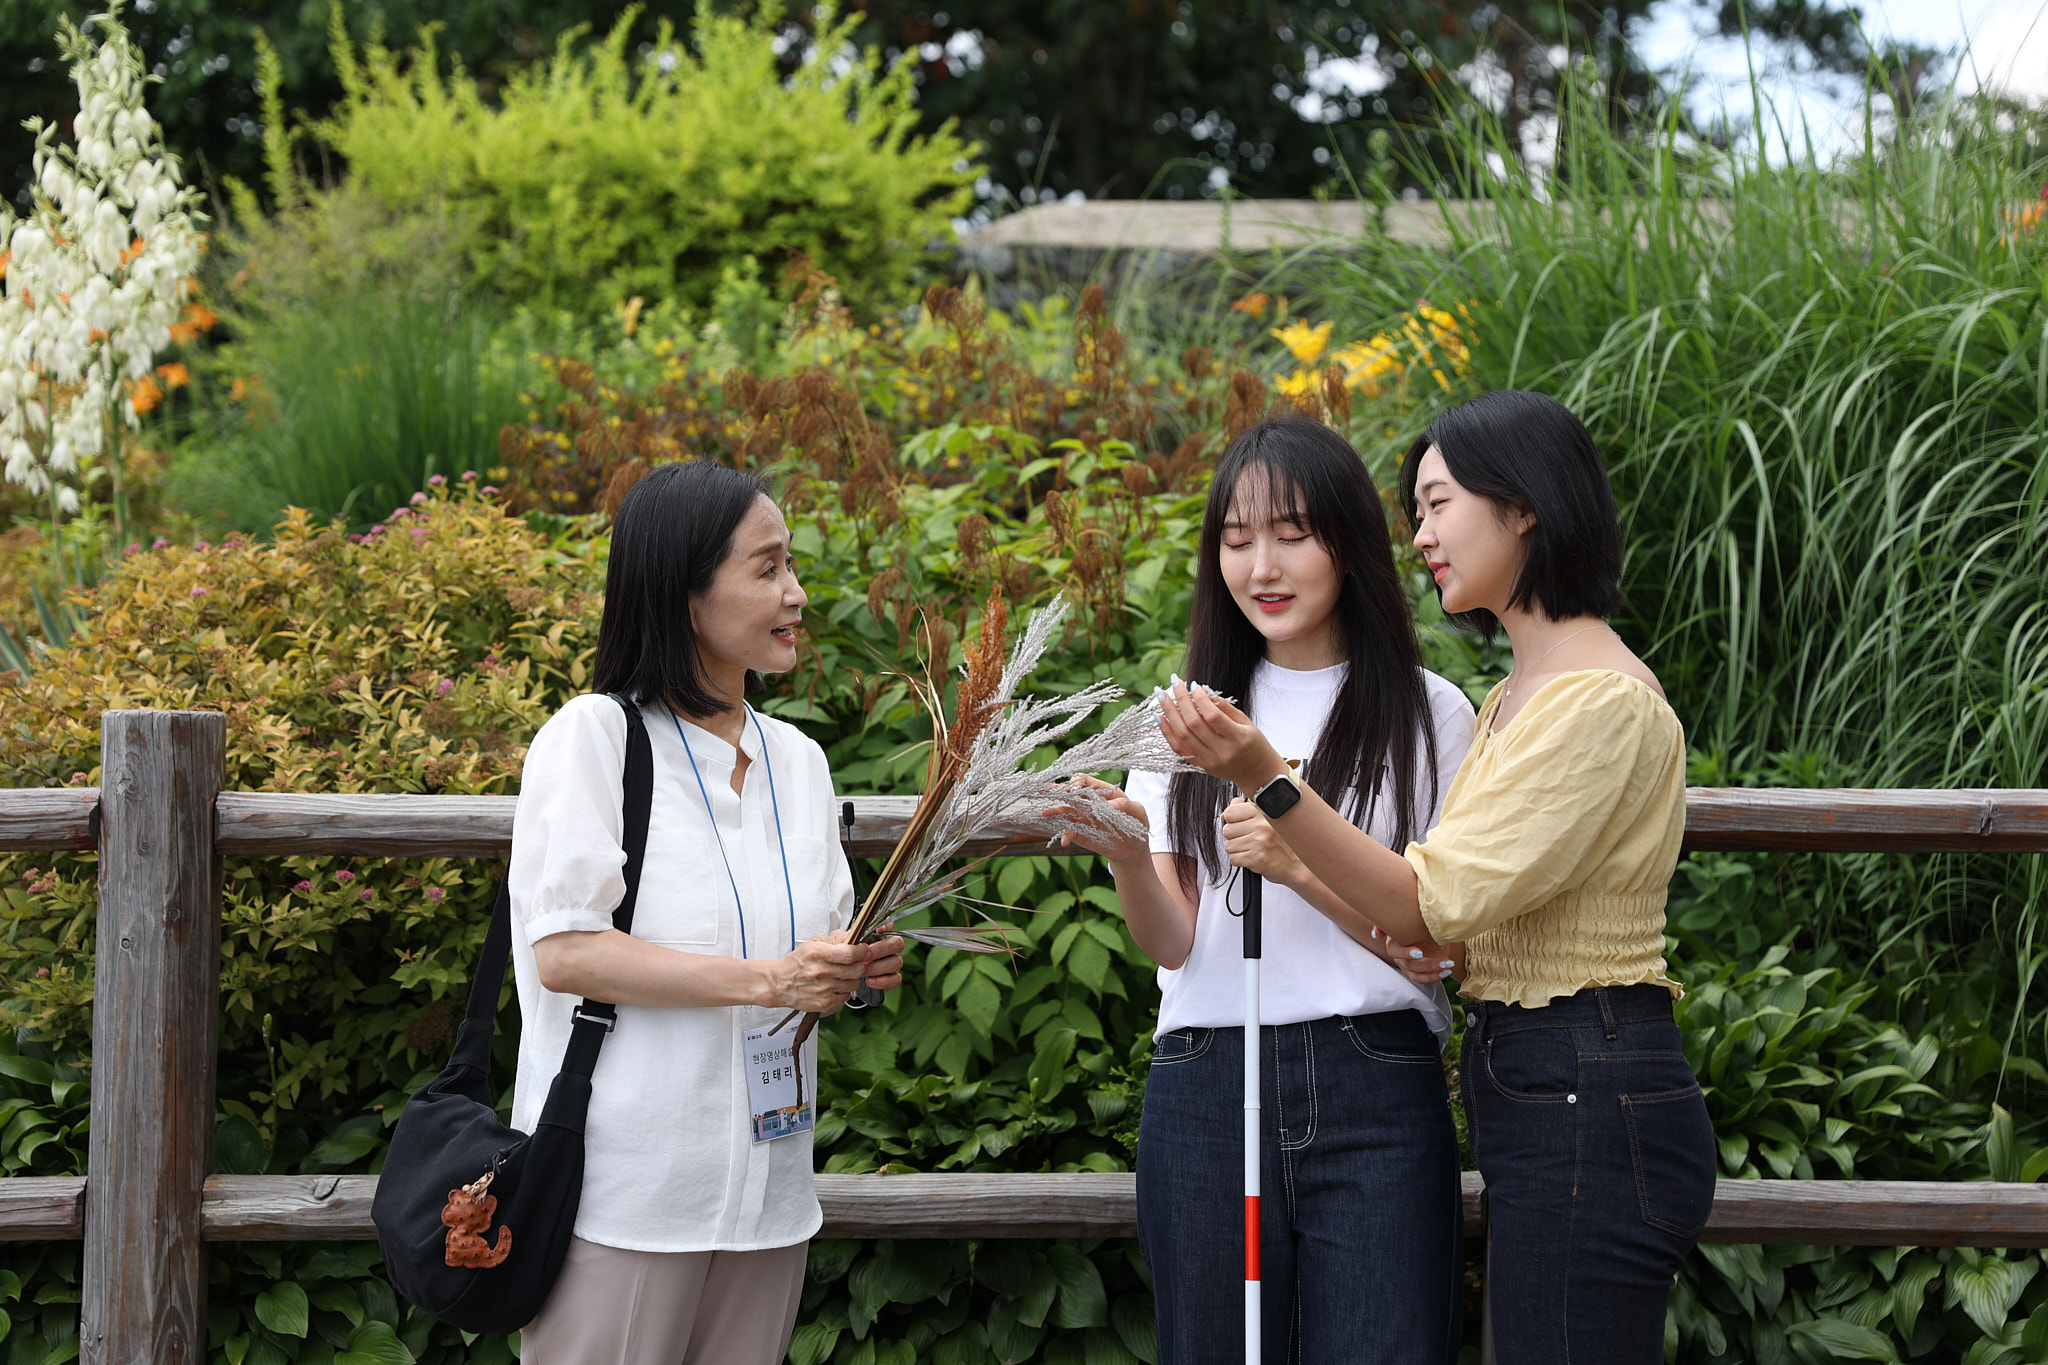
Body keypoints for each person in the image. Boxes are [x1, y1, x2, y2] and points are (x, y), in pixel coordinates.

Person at [1155, 391, 1717, 1364]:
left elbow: (1433, 902)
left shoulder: (1590, 703)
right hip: (1545, 1081)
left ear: (1522, 506)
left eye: (1436, 503)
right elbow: (1432, 940)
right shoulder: (1516, 694)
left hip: (1586, 1077)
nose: (1418, 536)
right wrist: (1291, 859)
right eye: (1413, 512)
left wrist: (1266, 782)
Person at [1059, 418, 1476, 1364]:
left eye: (1291, 532)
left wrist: (1296, 858)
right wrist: (1127, 853)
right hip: (1206, 1078)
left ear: (1348, 541)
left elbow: (1441, 947)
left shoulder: (1427, 711)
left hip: (1374, 1071)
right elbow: (1175, 943)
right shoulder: (1180, 718)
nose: (1262, 566)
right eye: (1237, 539)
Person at [505, 461, 905, 1365]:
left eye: (790, 565)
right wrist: (771, 976)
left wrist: (855, 971)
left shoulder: (799, 761)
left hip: (770, 1197)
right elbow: (566, 950)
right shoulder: (595, 738)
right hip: (624, 1197)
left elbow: (812, 958)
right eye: (766, 569)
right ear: (686, 595)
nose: (796, 593)